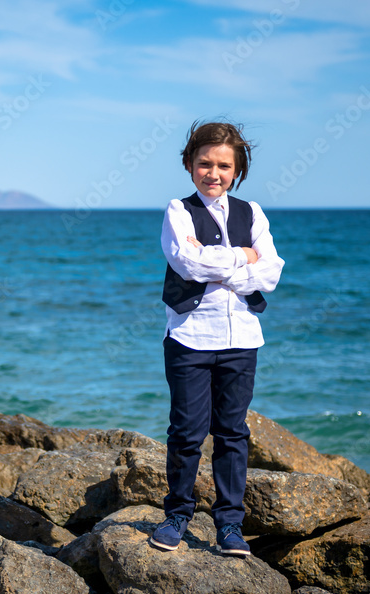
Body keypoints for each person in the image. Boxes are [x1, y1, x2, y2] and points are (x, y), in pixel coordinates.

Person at [150, 120, 284, 556]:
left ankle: (229, 525)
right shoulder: (178, 210)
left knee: (232, 433)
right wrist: (243, 259)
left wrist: (224, 261)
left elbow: (272, 271)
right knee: (187, 432)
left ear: (237, 170)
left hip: (242, 338)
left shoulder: (253, 213)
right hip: (190, 336)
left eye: (223, 165)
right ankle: (177, 516)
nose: (214, 173)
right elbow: (187, 263)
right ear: (189, 164)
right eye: (204, 163)